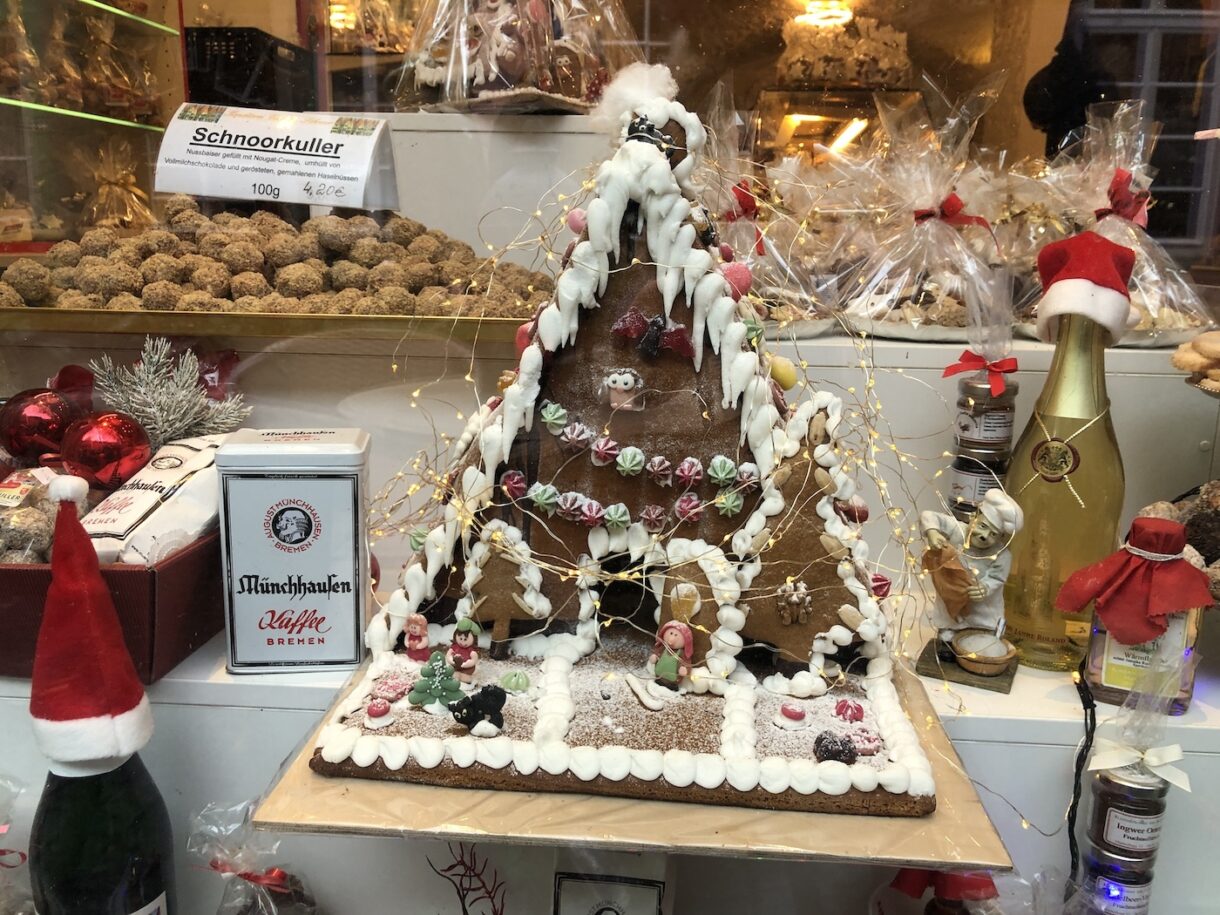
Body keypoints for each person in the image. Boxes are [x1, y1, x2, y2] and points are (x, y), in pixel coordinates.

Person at [920, 489, 1024, 640]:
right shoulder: (957, 530)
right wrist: (933, 532)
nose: (984, 536)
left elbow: (998, 578)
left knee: (982, 636)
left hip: (983, 607)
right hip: (952, 596)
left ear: (1001, 537)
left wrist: (986, 587)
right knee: (948, 630)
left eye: (993, 534)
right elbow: (928, 515)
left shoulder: (1002, 555)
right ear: (974, 517)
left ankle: (984, 638)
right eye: (982, 526)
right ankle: (948, 638)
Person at [649, 620, 692, 690]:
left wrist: (684, 669)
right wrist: (654, 657)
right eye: (671, 633)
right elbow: (657, 652)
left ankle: (672, 684)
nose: (672, 638)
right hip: (659, 676)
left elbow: (686, 662)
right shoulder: (663, 648)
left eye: (676, 635)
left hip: (673, 680)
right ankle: (660, 680)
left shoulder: (681, 653)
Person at [445, 617, 482, 684]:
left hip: (467, 668)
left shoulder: (471, 651)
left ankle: (464, 678)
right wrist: (451, 660)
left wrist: (466, 664)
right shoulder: (454, 647)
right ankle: (455, 675)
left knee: (468, 672)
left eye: (465, 639)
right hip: (455, 666)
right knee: (450, 670)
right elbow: (448, 655)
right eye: (460, 639)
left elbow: (474, 660)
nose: (462, 642)